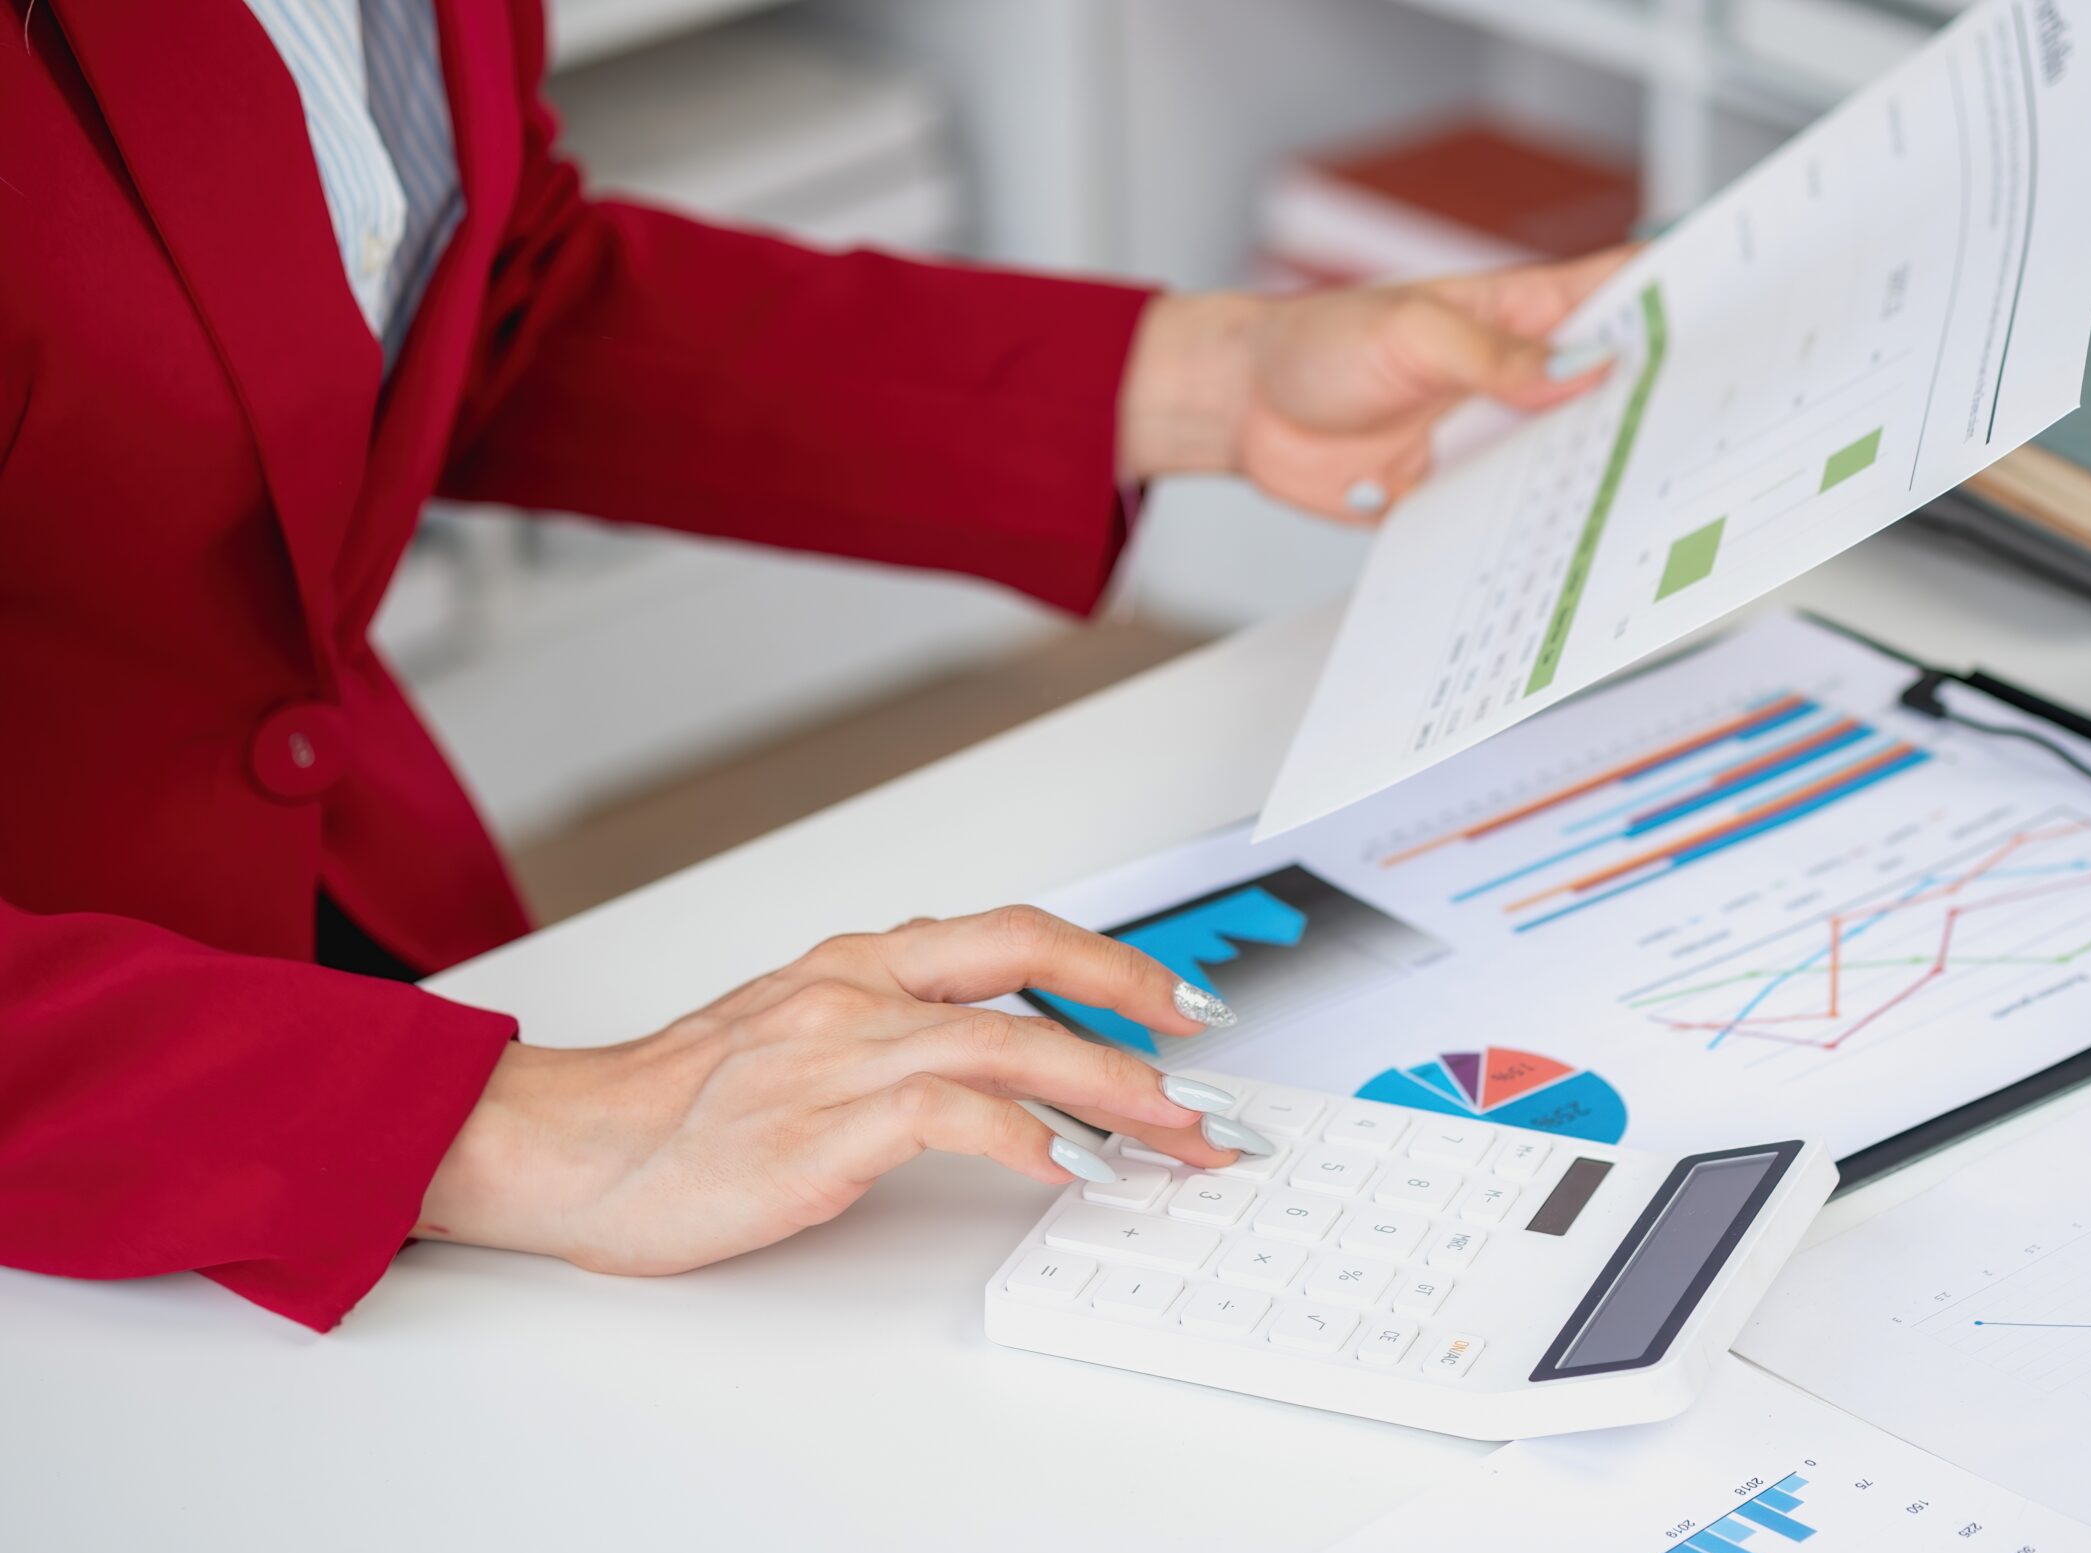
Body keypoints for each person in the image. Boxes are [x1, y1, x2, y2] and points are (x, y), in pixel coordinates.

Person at [0, 0, 1626, 1331]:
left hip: (332, 907)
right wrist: (529, 1130)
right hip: (95, 1099)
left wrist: (1210, 373)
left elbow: (471, 303)